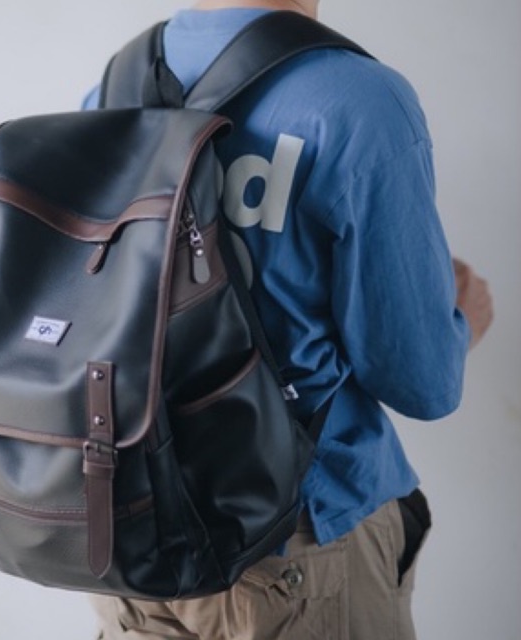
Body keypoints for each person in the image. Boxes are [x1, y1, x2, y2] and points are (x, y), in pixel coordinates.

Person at [83, 1, 494, 638]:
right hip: (296, 550)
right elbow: (422, 382)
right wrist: (463, 316)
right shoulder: (358, 99)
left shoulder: (114, 87)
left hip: (134, 542)